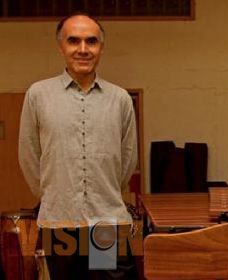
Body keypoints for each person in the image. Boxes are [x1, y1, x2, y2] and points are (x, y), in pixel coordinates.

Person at [18, 13, 138, 279]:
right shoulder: (38, 95)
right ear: (61, 46)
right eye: (74, 41)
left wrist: (105, 192)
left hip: (106, 222)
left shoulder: (119, 99)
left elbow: (128, 159)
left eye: (91, 41)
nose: (83, 49)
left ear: (101, 48)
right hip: (58, 220)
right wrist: (53, 193)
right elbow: (28, 154)